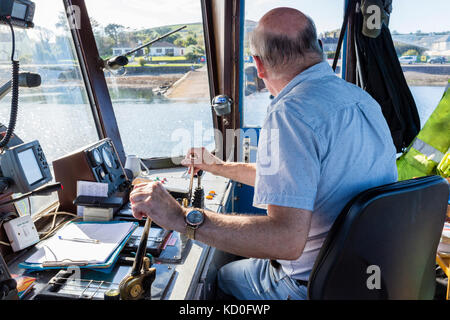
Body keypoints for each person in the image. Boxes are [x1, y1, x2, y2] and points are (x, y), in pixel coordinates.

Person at [129, 7, 398, 300]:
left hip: (309, 286)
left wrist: (180, 217)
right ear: (319, 48)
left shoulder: (291, 111)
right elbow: (294, 182)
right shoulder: (361, 99)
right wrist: (218, 166)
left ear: (258, 65)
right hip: (365, 277)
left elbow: (285, 240)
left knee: (220, 277)